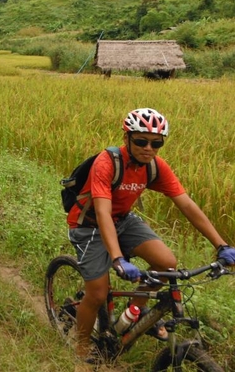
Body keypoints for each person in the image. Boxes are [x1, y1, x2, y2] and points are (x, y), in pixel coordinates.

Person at [67, 107, 235, 365]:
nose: (149, 148)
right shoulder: (107, 162)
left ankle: (133, 311)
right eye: (141, 141)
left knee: (166, 264)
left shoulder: (154, 167)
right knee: (98, 293)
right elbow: (102, 213)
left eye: (157, 143)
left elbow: (187, 205)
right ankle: (79, 348)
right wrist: (118, 259)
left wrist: (221, 245)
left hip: (122, 219)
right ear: (127, 139)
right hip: (88, 224)